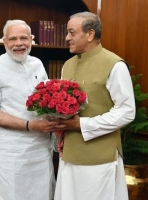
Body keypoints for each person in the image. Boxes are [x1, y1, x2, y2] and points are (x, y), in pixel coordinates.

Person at [53, 12, 136, 200]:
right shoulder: (67, 64)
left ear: (90, 34)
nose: (67, 38)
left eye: (71, 33)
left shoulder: (114, 64)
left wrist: (82, 125)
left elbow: (127, 111)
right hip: (69, 154)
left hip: (99, 158)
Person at [0, 19, 59, 200]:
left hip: (39, 151)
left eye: (23, 38)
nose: (18, 44)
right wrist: (30, 125)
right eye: (12, 39)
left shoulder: (38, 64)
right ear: (4, 41)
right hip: (9, 153)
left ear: (31, 39)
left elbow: (46, 102)